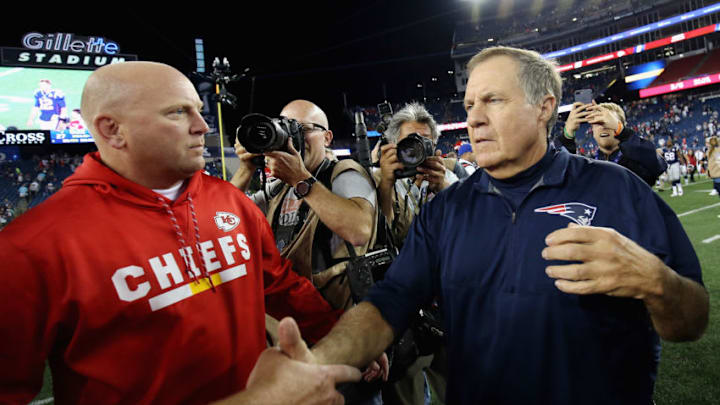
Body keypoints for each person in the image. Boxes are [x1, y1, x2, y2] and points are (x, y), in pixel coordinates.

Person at [303, 46, 708, 405]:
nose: (474, 119)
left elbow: (692, 319)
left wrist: (658, 283)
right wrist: (312, 365)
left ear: (544, 107)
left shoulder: (617, 189)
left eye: (493, 100)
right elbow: (387, 307)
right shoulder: (446, 210)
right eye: (468, 106)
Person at [0, 61, 365, 405]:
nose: (202, 126)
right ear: (112, 129)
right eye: (177, 112)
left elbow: (278, 285)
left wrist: (345, 337)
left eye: (197, 109)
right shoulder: (31, 247)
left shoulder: (229, 201)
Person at [231, 100, 377, 312]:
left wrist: (300, 179)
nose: (293, 138)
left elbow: (359, 232)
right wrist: (246, 169)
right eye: (285, 128)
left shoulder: (344, 172)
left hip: (337, 318)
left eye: (303, 129)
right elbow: (222, 218)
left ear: (327, 138)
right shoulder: (278, 187)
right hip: (291, 314)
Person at [377, 102, 460, 243]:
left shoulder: (445, 175)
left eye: (424, 141)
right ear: (394, 145)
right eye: (410, 141)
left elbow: (468, 221)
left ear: (434, 145)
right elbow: (383, 236)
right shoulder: (381, 179)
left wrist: (443, 188)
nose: (417, 148)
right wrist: (386, 184)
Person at [561, 101, 667, 186]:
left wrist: (621, 131)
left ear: (621, 126)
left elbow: (656, 166)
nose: (603, 127)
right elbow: (562, 177)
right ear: (592, 129)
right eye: (597, 123)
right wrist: (567, 136)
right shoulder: (588, 165)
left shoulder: (636, 161)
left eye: (607, 122)